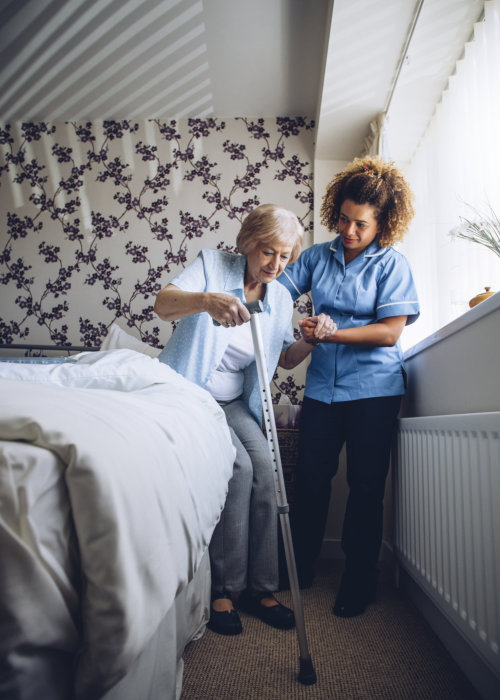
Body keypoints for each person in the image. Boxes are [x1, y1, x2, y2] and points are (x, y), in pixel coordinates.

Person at [154, 203, 335, 635]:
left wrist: (310, 341)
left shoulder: (281, 298)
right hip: (191, 393)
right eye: (267, 252)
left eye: (285, 256)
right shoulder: (212, 266)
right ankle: (225, 588)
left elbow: (285, 359)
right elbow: (163, 305)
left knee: (266, 470)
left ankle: (261, 587)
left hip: (236, 402)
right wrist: (206, 301)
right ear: (248, 244)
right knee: (237, 467)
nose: (275, 264)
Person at [278, 156, 420, 618]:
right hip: (322, 390)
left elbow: (389, 332)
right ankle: (298, 568)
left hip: (375, 390)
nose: (349, 230)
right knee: (313, 480)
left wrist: (331, 333)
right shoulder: (318, 256)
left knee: (364, 486)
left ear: (383, 222)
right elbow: (277, 291)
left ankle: (360, 581)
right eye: (343, 218)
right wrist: (298, 323)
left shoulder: (392, 264)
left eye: (360, 223)